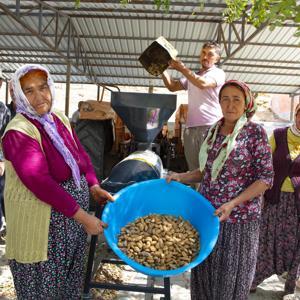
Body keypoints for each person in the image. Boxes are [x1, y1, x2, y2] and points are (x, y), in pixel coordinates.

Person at [2, 64, 114, 299]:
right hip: (43, 231)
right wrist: (84, 217)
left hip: (70, 224)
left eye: (43, 88)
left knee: (68, 285)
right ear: (19, 96)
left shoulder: (58, 119)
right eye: (29, 91)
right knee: (44, 289)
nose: (39, 96)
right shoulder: (18, 131)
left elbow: (81, 156)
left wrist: (93, 185)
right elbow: (39, 181)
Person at [166, 80, 273, 300]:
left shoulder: (255, 133)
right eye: (225, 98)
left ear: (246, 104)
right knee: (204, 275)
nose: (230, 104)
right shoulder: (212, 132)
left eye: (236, 99)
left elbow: (265, 179)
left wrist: (233, 203)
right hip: (207, 215)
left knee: (229, 281)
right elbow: (207, 171)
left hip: (238, 221)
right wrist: (181, 177)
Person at [251, 103, 300, 297]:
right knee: (265, 239)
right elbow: (263, 162)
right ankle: (254, 278)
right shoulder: (279, 135)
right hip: (274, 199)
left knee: (294, 243)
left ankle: (291, 283)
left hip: (297, 204)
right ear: (296, 114)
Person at [162, 41, 225, 172]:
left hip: (210, 127)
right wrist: (161, 68)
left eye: (210, 54)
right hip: (190, 129)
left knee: (208, 170)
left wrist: (182, 68)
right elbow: (172, 86)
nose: (205, 56)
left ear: (217, 58)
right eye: (203, 53)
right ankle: (195, 192)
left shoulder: (218, 73)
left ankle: (206, 193)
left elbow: (202, 84)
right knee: (193, 170)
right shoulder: (193, 76)